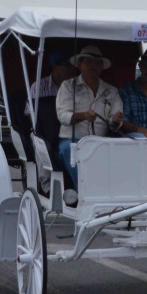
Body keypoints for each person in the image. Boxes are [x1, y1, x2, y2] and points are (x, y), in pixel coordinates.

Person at [56, 45, 124, 187]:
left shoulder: (112, 91)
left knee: (122, 152)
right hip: (72, 140)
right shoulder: (68, 86)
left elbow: (115, 118)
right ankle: (84, 191)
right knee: (68, 150)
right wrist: (84, 116)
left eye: (98, 63)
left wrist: (116, 120)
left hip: (101, 141)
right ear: (79, 64)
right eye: (89, 62)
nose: (94, 66)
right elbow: (62, 116)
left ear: (102, 67)